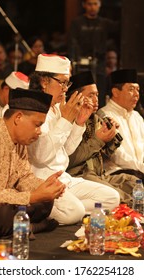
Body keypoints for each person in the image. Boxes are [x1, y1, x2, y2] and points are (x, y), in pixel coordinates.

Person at [28, 53, 120, 225]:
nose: (65, 88)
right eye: (61, 82)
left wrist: (78, 123)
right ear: (44, 81)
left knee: (111, 198)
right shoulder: (33, 109)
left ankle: (67, 211)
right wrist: (65, 121)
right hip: (42, 180)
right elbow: (41, 157)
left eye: (67, 83)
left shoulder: (57, 107)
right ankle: (57, 212)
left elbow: (66, 151)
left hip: (63, 178)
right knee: (74, 212)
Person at [0, 88, 66, 240]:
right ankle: (29, 226)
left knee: (46, 202)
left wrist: (44, 187)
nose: (39, 131)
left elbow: (24, 177)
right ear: (18, 118)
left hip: (1, 201)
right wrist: (33, 196)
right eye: (37, 124)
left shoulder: (19, 141)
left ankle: (21, 227)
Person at [66, 71, 139, 205]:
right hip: (80, 175)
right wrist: (98, 139)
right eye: (91, 95)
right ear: (77, 97)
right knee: (118, 195)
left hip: (100, 174)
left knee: (133, 182)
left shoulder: (95, 118)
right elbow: (70, 160)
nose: (95, 100)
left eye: (97, 95)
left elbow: (103, 155)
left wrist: (111, 138)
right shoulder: (68, 120)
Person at [68, 0, 119, 108]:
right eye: (90, 4)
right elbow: (72, 43)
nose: (92, 7)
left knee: (99, 93)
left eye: (95, 4)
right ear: (84, 5)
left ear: (99, 5)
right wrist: (71, 61)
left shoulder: (104, 23)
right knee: (82, 92)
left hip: (99, 64)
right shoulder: (77, 22)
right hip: (81, 63)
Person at [100, 68, 144, 182]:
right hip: (118, 172)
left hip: (139, 171)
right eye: (131, 89)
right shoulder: (105, 115)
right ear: (115, 92)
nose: (136, 94)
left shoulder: (137, 117)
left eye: (137, 90)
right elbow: (117, 156)